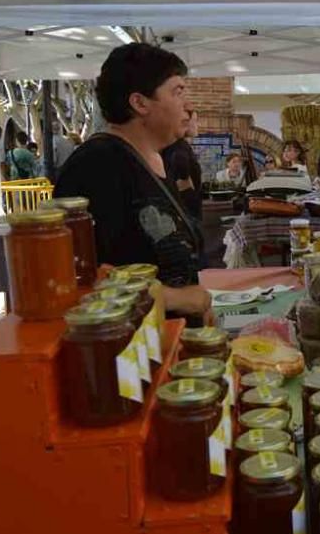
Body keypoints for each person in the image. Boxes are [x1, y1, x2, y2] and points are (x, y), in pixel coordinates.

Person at [54, 42, 211, 323]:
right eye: (177, 91)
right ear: (139, 103)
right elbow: (78, 276)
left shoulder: (160, 159)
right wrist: (177, 298)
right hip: (129, 351)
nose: (189, 105)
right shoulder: (96, 165)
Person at [160, 109, 203, 221]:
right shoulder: (180, 147)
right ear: (184, 123)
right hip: (187, 214)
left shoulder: (174, 146)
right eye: (196, 121)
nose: (198, 124)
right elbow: (182, 178)